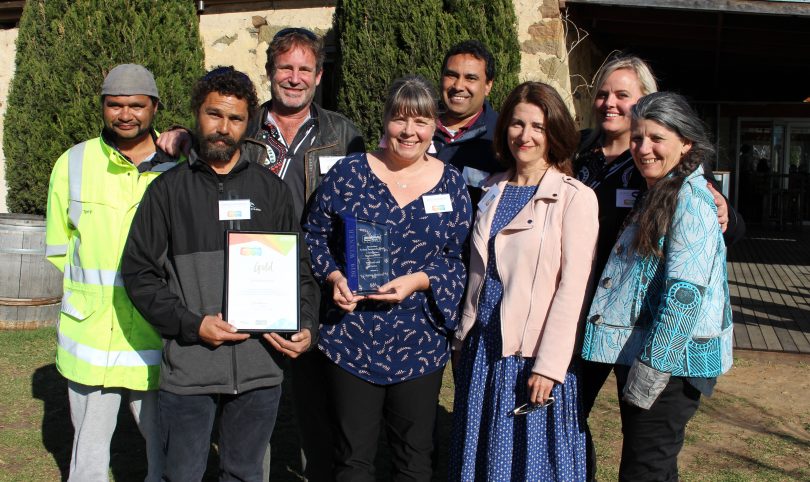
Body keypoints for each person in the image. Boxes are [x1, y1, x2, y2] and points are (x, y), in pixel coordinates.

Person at [156, 27, 364, 481]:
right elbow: (210, 128)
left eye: (304, 69)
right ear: (270, 73)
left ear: (319, 75)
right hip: (245, 289)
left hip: (311, 288)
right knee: (252, 414)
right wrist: (178, 134)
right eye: (285, 67)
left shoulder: (343, 133)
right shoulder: (244, 124)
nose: (294, 77)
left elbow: (361, 205)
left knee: (316, 414)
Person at [121, 67, 319, 481]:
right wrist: (192, 325)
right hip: (191, 369)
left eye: (235, 119)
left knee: (246, 473)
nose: (223, 128)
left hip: (260, 369)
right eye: (214, 115)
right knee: (183, 475)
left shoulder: (271, 190)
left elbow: (300, 269)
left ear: (248, 124)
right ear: (197, 114)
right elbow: (139, 273)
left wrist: (305, 324)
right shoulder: (167, 192)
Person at [574, 54, 744, 480]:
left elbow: (685, 297)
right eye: (638, 139)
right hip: (643, 353)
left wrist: (651, 373)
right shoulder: (659, 190)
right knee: (652, 466)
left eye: (656, 139)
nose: (643, 149)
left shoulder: (690, 198)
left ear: (685, 142)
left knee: (644, 469)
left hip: (670, 363)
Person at [303, 75, 472, 481]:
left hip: (419, 343)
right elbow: (313, 236)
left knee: (414, 460)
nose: (409, 131)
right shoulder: (349, 174)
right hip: (351, 336)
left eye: (421, 121)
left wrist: (422, 279)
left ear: (434, 127)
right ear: (385, 121)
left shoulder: (451, 185)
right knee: (352, 458)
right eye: (400, 119)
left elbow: (461, 260)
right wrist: (333, 276)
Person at [449, 81, 598, 481]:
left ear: (554, 134)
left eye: (538, 126)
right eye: (517, 123)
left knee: (531, 463)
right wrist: (462, 336)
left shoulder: (574, 197)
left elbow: (573, 289)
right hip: (483, 346)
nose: (525, 135)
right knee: (480, 455)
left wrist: (550, 366)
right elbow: (477, 274)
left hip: (531, 353)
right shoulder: (491, 189)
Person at [44, 63, 176, 482]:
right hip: (92, 340)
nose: (125, 114)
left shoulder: (178, 167)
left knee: (167, 448)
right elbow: (60, 248)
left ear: (154, 107)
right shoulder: (73, 162)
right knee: (89, 454)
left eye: (136, 105)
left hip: (154, 337)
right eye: (114, 105)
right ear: (102, 107)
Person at [433, 40, 505, 202]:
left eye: (470, 78)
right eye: (452, 75)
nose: (458, 85)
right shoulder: (414, 127)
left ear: (488, 86)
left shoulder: (501, 137)